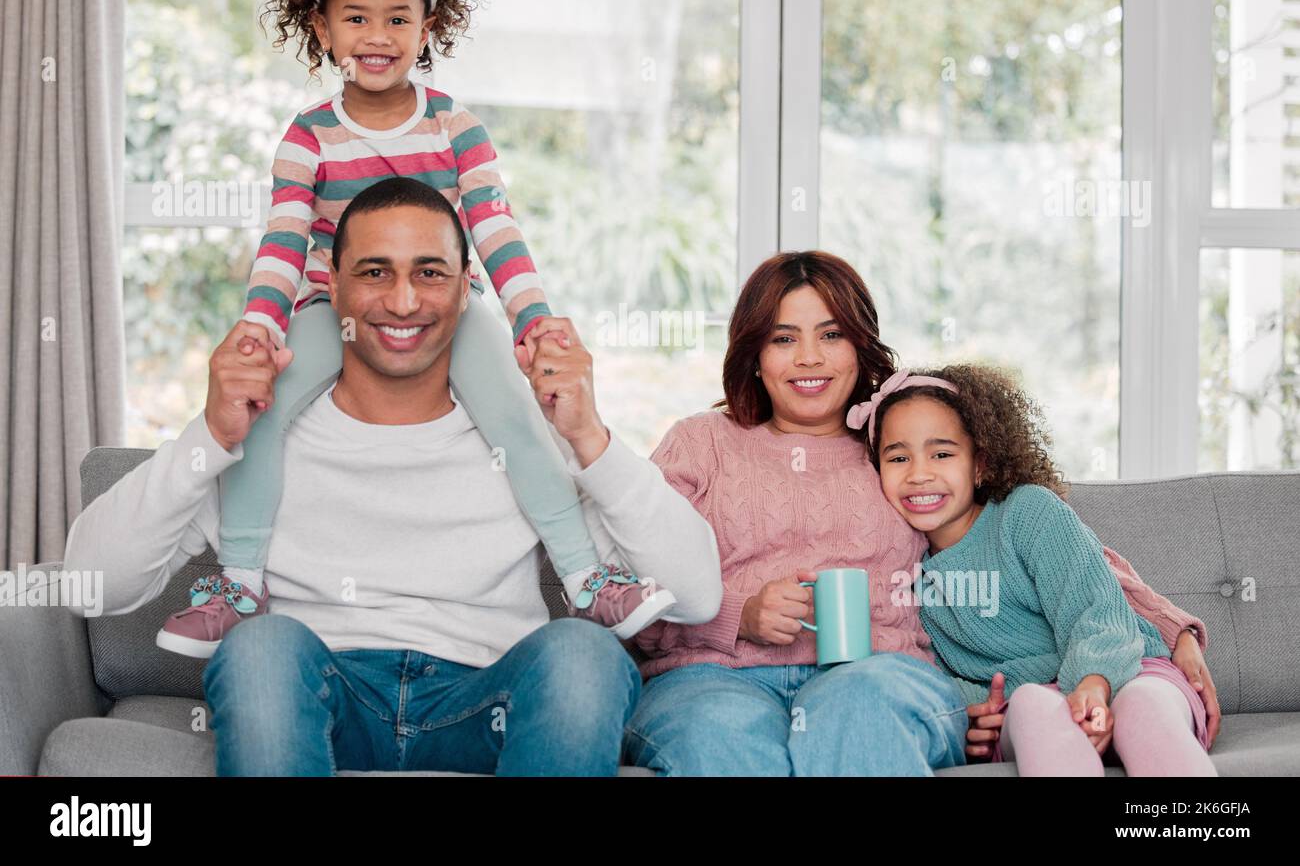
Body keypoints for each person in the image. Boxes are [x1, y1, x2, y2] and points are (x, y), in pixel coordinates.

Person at [62, 178, 722, 775]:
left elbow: (697, 596)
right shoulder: (261, 435)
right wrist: (208, 434)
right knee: (259, 646)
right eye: (376, 271)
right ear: (333, 280)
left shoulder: (528, 441)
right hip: (320, 699)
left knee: (587, 654)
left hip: (484, 699)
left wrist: (588, 434)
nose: (403, 301)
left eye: (429, 272)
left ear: (467, 285)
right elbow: (90, 585)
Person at [155, 0, 671, 658]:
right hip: (332, 308)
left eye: (397, 19)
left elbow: (495, 230)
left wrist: (534, 319)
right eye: (356, 18)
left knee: (519, 420)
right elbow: (283, 241)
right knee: (260, 413)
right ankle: (239, 581)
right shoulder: (309, 136)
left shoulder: (456, 128)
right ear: (322, 27)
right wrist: (263, 325)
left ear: (427, 29)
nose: (377, 37)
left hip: (448, 314)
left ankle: (589, 580)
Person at [623, 250, 1218, 775]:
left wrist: (1171, 631)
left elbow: (1058, 555)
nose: (809, 358)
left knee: (860, 710)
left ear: (861, 347)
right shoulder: (701, 444)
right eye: (783, 338)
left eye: (831, 335)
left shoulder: (893, 447)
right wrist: (737, 617)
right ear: (754, 353)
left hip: (878, 678)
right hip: (713, 678)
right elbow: (622, 583)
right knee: (719, 741)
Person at [860, 363, 1216, 776]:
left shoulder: (1027, 514)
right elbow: (923, 665)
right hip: (1021, 707)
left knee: (1142, 706)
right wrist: (969, 713)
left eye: (942, 453)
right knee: (1032, 703)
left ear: (980, 464)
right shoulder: (899, 567)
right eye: (899, 457)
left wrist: (1092, 686)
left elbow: (1097, 609)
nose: (920, 474)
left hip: (1124, 674)